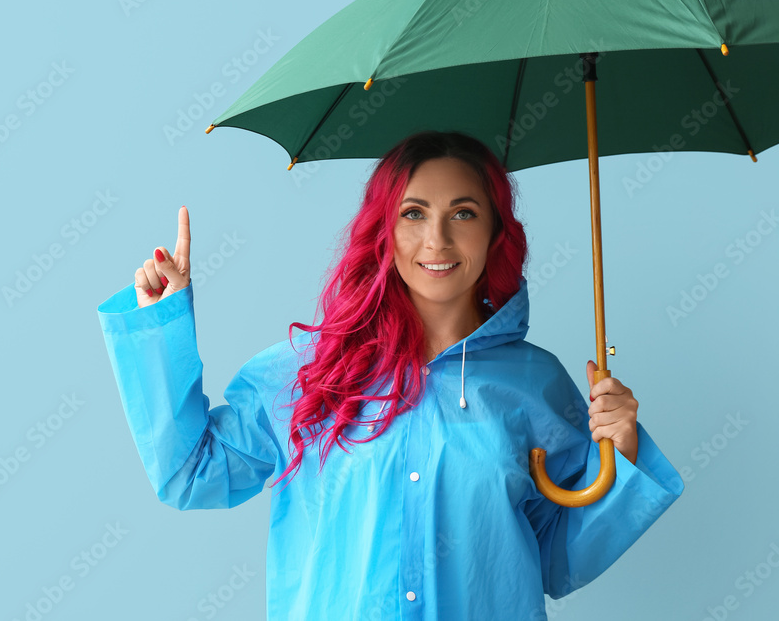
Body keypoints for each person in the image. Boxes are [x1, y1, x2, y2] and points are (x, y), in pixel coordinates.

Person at [96, 131, 684, 620]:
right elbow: (190, 474)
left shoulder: (535, 385)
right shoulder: (309, 372)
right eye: (413, 213)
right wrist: (162, 323)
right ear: (385, 229)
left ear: (495, 232)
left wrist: (620, 455)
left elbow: (556, 558)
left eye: (464, 212)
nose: (438, 239)